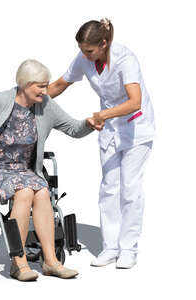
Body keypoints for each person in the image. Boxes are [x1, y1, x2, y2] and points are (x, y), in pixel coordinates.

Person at [0, 59, 102, 281]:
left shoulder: (46, 105)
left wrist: (88, 123)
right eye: (41, 86)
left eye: (47, 85)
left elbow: (72, 128)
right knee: (26, 191)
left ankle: (50, 262)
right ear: (24, 84)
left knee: (43, 191)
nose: (46, 91)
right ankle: (18, 263)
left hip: (24, 170)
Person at [48, 18, 155, 269]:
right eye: (82, 50)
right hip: (109, 129)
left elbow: (135, 101)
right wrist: (28, 98)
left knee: (129, 188)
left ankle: (128, 248)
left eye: (89, 50)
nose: (84, 55)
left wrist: (102, 116)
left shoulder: (125, 59)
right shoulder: (84, 58)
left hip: (136, 128)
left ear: (104, 44)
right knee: (108, 187)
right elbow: (61, 83)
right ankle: (110, 247)